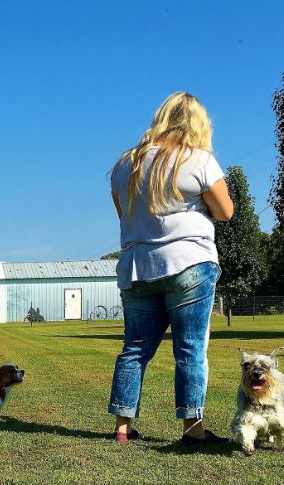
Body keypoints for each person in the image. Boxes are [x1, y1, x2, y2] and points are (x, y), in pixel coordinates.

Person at [108, 92, 233, 445]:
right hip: (189, 263)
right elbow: (225, 212)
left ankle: (122, 428)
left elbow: (125, 216)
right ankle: (192, 430)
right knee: (190, 348)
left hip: (136, 267)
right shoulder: (199, 159)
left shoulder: (124, 166)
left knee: (134, 348)